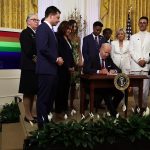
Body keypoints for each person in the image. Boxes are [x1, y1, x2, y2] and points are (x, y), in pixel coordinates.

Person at [36, 6, 63, 128]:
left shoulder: (50, 29)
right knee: (43, 99)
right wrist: (56, 58)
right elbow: (42, 48)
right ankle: (42, 125)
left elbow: (50, 48)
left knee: (49, 98)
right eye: (57, 17)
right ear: (51, 15)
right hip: (45, 70)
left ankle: (46, 120)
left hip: (51, 70)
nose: (58, 20)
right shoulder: (42, 28)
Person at [83, 43, 124, 116]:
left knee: (120, 94)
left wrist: (114, 71)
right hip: (93, 85)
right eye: (105, 52)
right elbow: (86, 70)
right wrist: (99, 71)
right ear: (100, 50)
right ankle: (113, 114)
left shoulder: (108, 58)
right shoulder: (92, 57)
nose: (107, 54)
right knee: (106, 93)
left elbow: (119, 70)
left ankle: (111, 110)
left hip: (106, 85)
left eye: (108, 53)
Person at [19, 13, 39, 123]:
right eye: (34, 19)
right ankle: (27, 114)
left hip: (35, 67)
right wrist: (37, 59)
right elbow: (28, 51)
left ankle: (32, 113)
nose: (37, 21)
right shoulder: (25, 33)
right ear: (28, 22)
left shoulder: (36, 34)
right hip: (28, 67)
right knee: (27, 91)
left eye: (37, 20)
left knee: (33, 91)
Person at [82, 21, 106, 109]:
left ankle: (97, 103)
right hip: (89, 66)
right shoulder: (86, 38)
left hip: (99, 66)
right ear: (93, 28)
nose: (98, 32)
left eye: (100, 30)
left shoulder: (103, 39)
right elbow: (85, 52)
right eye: (97, 30)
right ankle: (85, 104)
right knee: (88, 86)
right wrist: (89, 63)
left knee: (99, 86)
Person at [129, 16, 150, 111]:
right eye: (140, 22)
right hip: (135, 66)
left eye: (144, 22)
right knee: (136, 90)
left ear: (147, 24)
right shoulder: (133, 37)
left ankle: (143, 107)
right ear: (138, 24)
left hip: (146, 66)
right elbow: (131, 51)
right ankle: (138, 106)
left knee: (145, 90)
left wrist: (145, 60)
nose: (142, 24)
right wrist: (138, 60)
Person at [55, 21, 75, 116]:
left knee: (66, 88)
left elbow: (70, 54)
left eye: (70, 29)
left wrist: (73, 65)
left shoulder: (68, 39)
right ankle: (59, 109)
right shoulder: (57, 37)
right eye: (68, 28)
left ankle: (64, 107)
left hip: (67, 68)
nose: (69, 30)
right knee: (60, 89)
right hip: (61, 68)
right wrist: (67, 66)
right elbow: (60, 53)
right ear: (63, 28)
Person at [68, 19, 82, 110]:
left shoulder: (78, 38)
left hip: (77, 62)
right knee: (67, 84)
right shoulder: (66, 36)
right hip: (69, 60)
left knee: (74, 85)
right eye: (73, 26)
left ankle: (72, 103)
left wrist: (81, 60)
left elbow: (79, 50)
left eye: (76, 26)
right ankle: (64, 103)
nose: (74, 28)